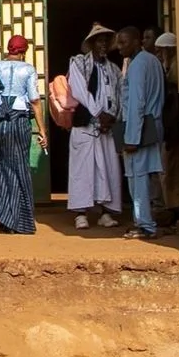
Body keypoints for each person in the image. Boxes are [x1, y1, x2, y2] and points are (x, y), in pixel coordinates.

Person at [0, 35, 48, 234]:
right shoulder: (28, 69)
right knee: (18, 169)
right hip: (18, 122)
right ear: (24, 51)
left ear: (8, 49)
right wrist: (42, 129)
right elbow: (34, 100)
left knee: (1, 167)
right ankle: (16, 221)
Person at [64, 24, 124, 229]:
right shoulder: (78, 63)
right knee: (82, 170)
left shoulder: (113, 69)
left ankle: (106, 212)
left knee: (108, 169)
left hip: (106, 128)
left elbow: (119, 95)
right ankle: (80, 213)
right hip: (86, 126)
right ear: (91, 43)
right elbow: (80, 91)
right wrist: (99, 113)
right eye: (99, 40)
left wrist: (112, 117)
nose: (104, 44)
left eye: (107, 40)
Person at [118, 28, 173, 239]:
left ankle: (145, 224)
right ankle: (145, 221)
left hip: (140, 128)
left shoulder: (138, 64)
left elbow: (136, 103)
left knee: (137, 176)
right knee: (146, 174)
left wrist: (131, 138)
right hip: (152, 123)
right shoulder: (151, 61)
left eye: (124, 42)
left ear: (136, 41)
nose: (120, 47)